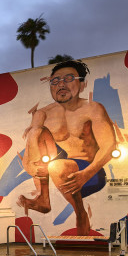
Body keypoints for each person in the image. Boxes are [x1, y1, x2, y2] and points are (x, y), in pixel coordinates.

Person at [18, 60, 116, 234]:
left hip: (90, 173)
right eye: (55, 81)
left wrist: (85, 174)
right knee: (36, 132)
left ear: (82, 84)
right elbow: (31, 150)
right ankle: (43, 198)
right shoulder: (43, 114)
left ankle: (80, 213)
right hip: (58, 169)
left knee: (56, 165)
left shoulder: (93, 109)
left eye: (68, 78)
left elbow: (109, 146)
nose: (60, 84)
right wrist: (34, 168)